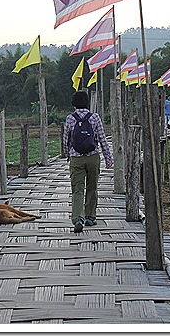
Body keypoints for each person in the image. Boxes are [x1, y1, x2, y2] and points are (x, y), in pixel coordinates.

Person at [63, 90, 113, 233]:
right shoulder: (95, 117)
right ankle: (90, 217)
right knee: (92, 187)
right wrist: (108, 158)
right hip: (93, 157)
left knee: (77, 190)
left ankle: (78, 219)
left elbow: (66, 140)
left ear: (74, 103)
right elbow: (102, 139)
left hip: (76, 158)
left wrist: (68, 155)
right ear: (87, 102)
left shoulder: (70, 119)